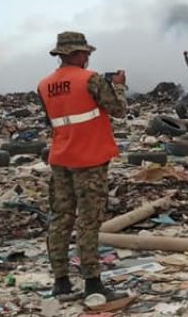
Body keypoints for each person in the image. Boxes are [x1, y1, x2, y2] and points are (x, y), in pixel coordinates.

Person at [37, 31, 128, 299]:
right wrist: (120, 86)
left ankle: (61, 281)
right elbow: (118, 109)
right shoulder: (91, 79)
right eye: (85, 52)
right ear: (75, 53)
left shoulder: (44, 85)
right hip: (89, 159)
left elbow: (52, 120)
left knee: (61, 219)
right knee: (88, 221)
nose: (88, 57)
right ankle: (92, 283)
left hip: (61, 158)